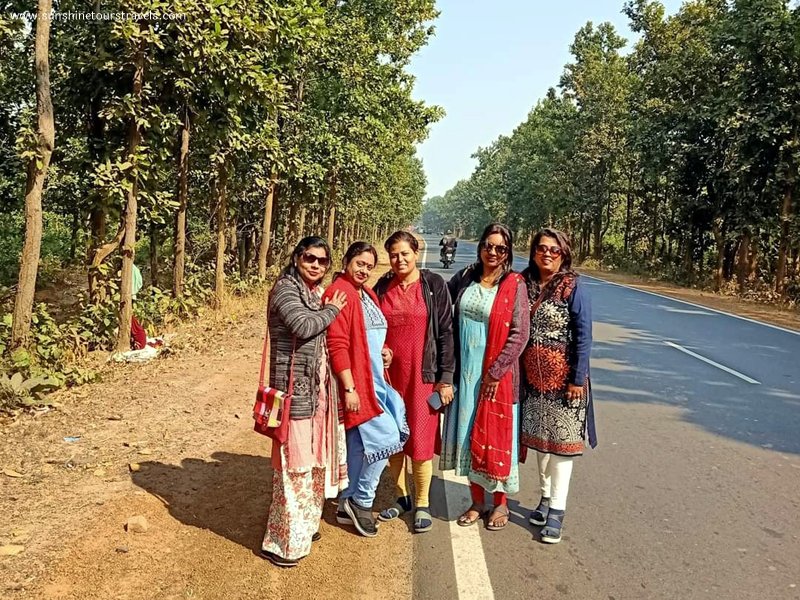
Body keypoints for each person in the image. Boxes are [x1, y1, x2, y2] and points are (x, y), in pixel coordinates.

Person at [260, 236, 349, 568]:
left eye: (323, 261)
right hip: (293, 395)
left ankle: (305, 527)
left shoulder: (312, 292)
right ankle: (283, 543)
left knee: (313, 464)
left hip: (316, 395)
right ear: (297, 257)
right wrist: (332, 309)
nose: (316, 265)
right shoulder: (285, 289)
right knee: (293, 468)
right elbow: (303, 325)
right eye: (310, 258)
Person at [441, 223, 529, 531]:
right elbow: (440, 302)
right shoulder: (466, 276)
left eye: (500, 248)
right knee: (468, 436)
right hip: (466, 375)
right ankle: (477, 501)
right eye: (488, 246)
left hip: (497, 379)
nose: (493, 252)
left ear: (508, 252)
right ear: (480, 247)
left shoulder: (514, 284)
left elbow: (519, 334)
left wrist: (495, 372)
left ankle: (500, 503)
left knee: (496, 437)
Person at [323, 242, 409, 538]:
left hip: (375, 380)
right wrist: (349, 387)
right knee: (388, 437)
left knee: (360, 443)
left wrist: (384, 352)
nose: (364, 270)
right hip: (358, 383)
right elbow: (337, 344)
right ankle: (362, 500)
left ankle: (345, 502)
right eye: (359, 263)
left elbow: (372, 336)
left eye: (370, 266)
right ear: (346, 261)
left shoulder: (367, 293)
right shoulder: (340, 292)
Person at [373, 231, 455, 533]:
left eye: (405, 253)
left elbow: (446, 332)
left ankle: (422, 503)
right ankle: (401, 497)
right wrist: (380, 350)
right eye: (394, 255)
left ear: (416, 253)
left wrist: (445, 378)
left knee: (420, 442)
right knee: (393, 437)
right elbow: (372, 328)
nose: (399, 260)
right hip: (390, 378)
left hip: (424, 378)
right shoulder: (382, 287)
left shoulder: (433, 286)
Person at [520, 228, 595, 544]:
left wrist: (577, 380)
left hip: (565, 385)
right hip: (532, 383)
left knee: (562, 448)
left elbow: (584, 336)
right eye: (542, 248)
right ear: (534, 251)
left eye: (554, 250)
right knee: (541, 445)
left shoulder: (573, 287)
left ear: (564, 254)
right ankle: (545, 498)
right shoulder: (523, 283)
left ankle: (557, 512)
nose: (547, 254)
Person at [130, 263, 146, 350]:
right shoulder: (135, 269)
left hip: (129, 294)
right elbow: (140, 283)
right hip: (132, 294)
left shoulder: (130, 268)